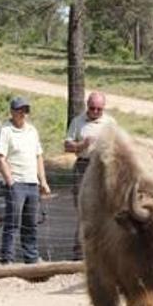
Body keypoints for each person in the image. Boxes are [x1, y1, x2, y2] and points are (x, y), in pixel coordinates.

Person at [0, 96, 51, 264]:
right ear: (12, 112)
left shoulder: (32, 131)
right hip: (17, 183)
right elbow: (0, 157)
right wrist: (10, 182)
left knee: (31, 223)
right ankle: (8, 259)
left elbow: (38, 156)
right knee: (12, 223)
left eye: (26, 110)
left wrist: (43, 181)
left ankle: (31, 257)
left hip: (32, 183)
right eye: (20, 110)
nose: (23, 114)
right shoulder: (6, 131)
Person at [64, 92, 115, 258]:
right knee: (83, 209)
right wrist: (81, 144)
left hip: (103, 166)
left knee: (105, 208)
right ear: (87, 106)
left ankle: (104, 252)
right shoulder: (78, 122)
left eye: (98, 109)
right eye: (92, 108)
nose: (95, 112)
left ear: (103, 108)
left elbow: (118, 145)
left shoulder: (110, 123)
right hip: (83, 166)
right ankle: (79, 252)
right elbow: (67, 145)